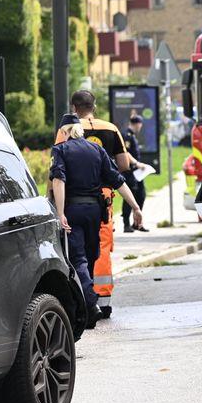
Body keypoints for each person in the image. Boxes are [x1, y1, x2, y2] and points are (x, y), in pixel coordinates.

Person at [50, 114, 143, 328]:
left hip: (72, 208)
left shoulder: (61, 150)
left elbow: (58, 180)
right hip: (94, 210)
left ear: (64, 132)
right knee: (92, 256)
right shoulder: (97, 150)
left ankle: (90, 306)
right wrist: (135, 207)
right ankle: (87, 308)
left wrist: (61, 212)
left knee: (78, 259)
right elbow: (117, 180)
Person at [122, 115, 149, 233]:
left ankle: (137, 223)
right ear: (137, 124)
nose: (141, 127)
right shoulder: (127, 135)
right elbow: (125, 153)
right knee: (130, 197)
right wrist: (137, 163)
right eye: (140, 124)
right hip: (130, 171)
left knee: (141, 195)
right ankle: (126, 225)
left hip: (137, 173)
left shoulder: (132, 136)